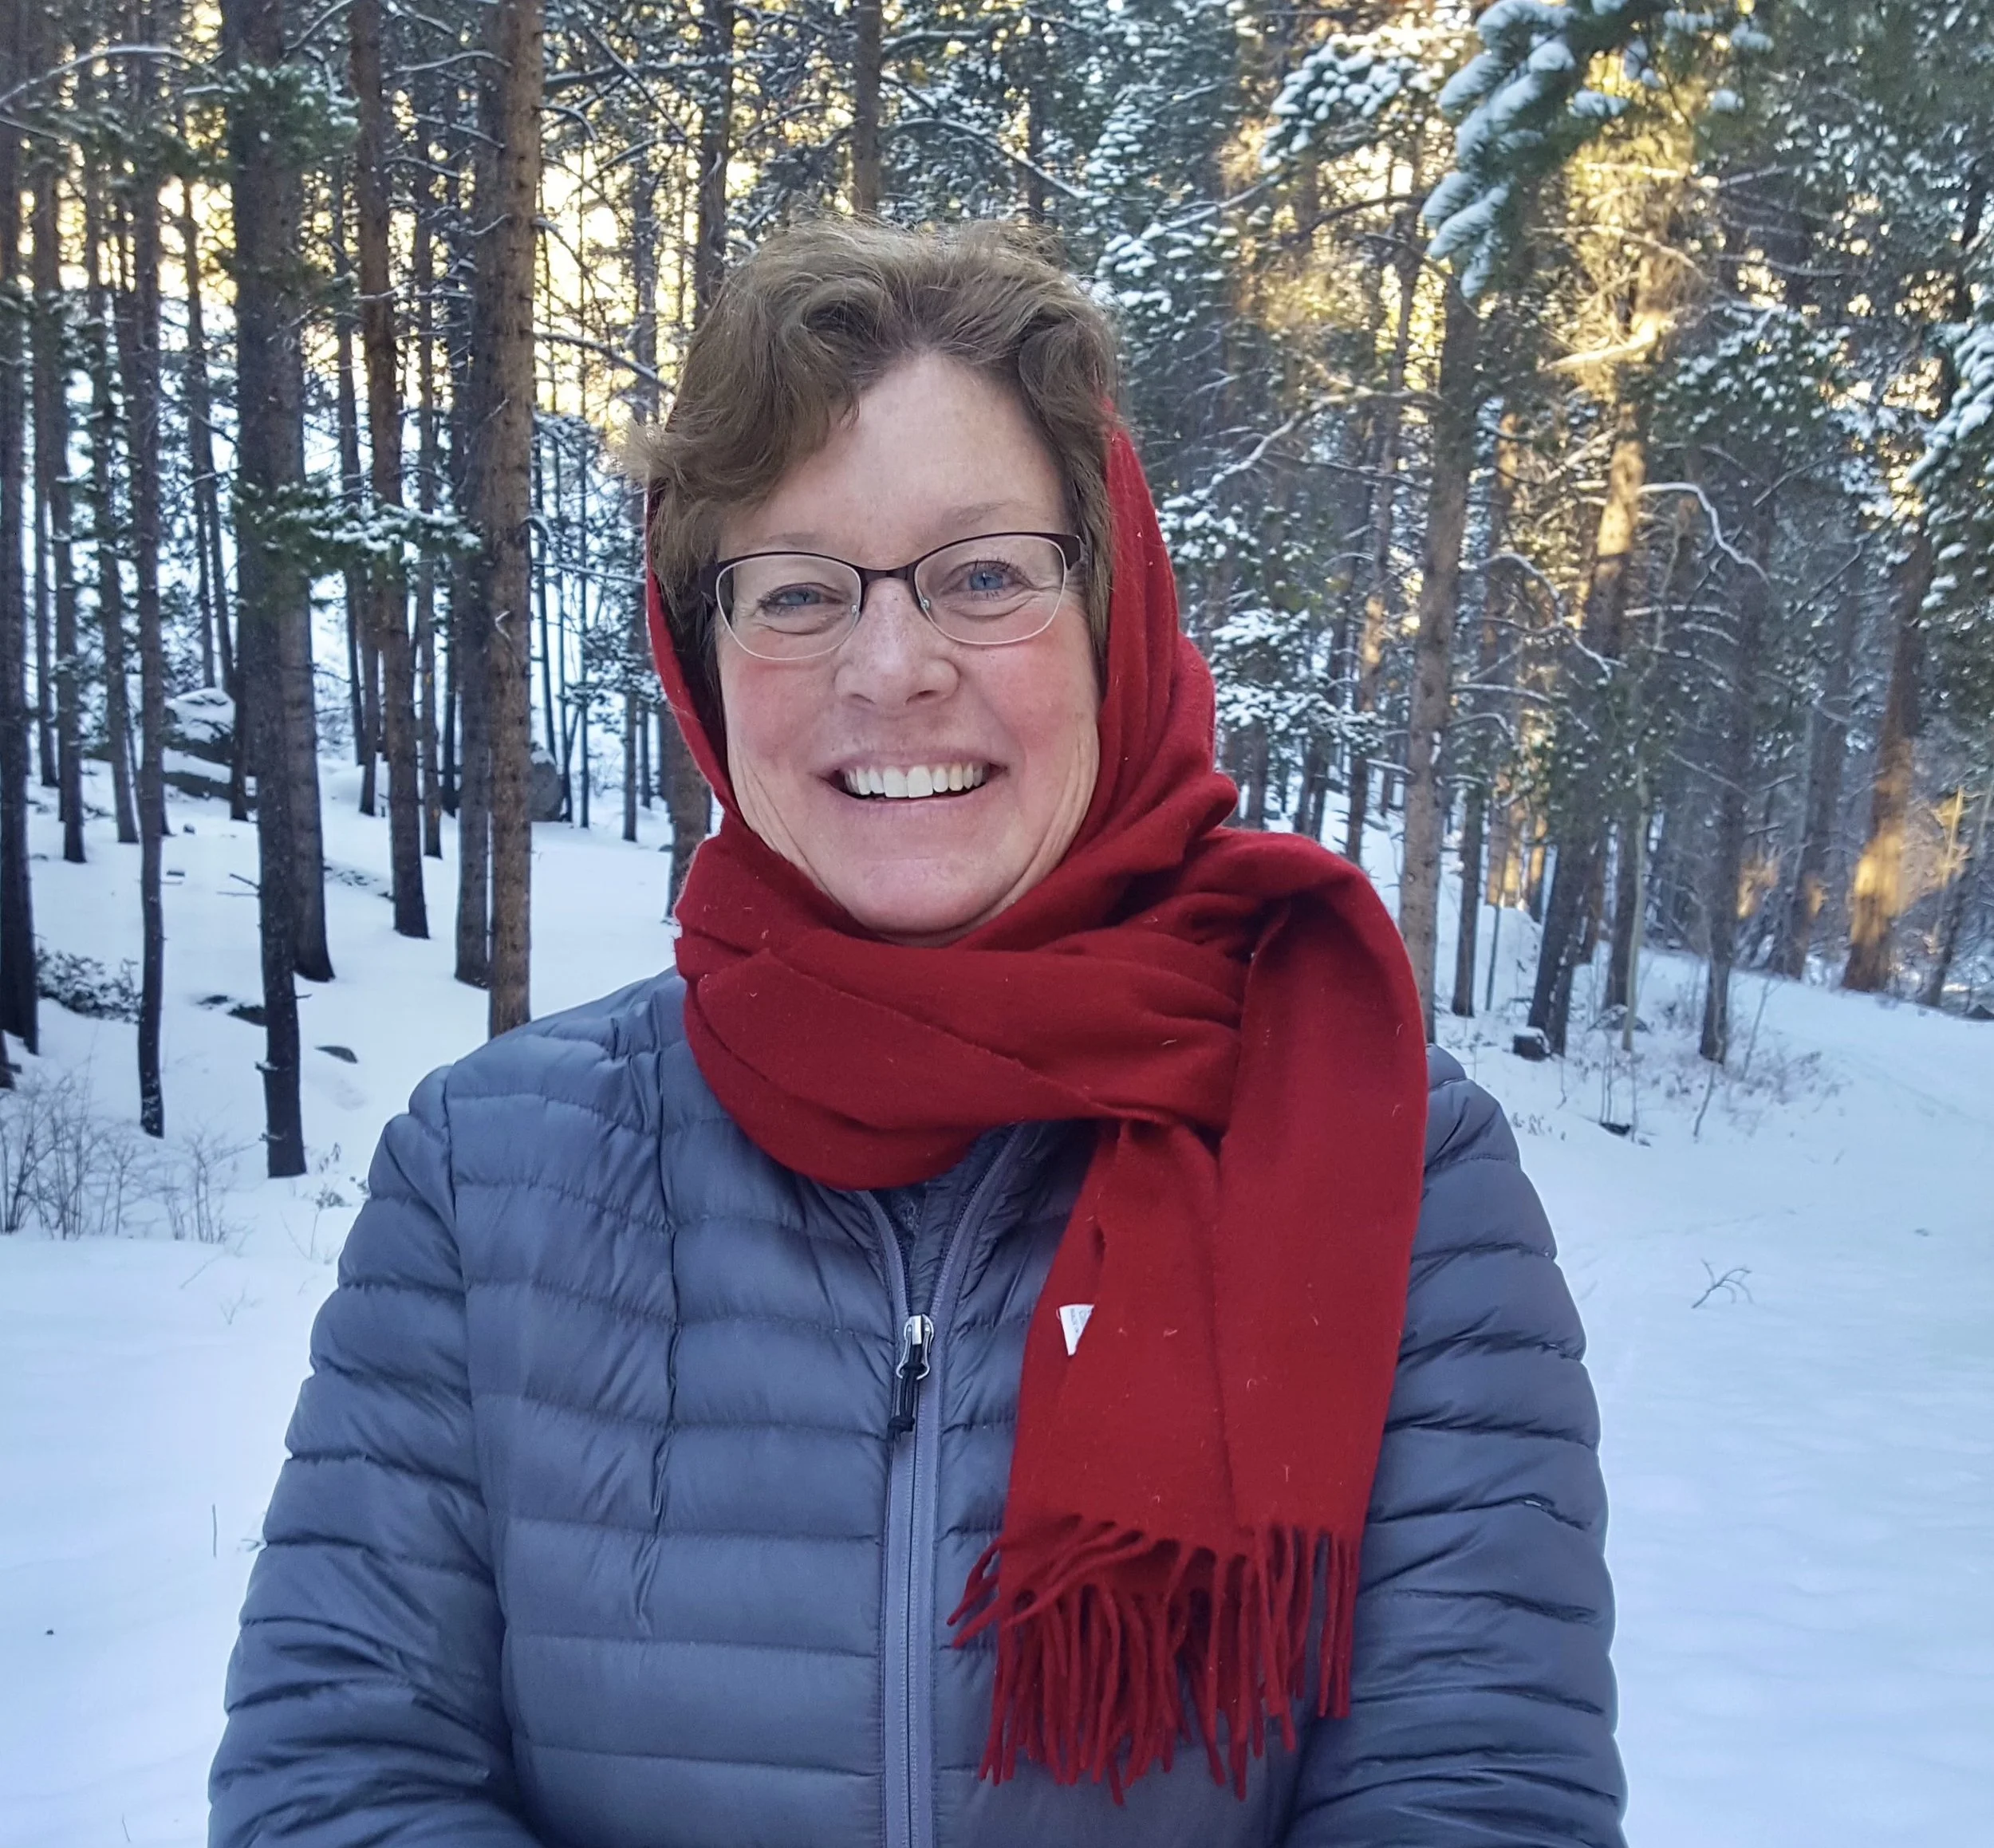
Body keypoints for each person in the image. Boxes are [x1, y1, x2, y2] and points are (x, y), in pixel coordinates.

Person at [210, 217, 1626, 1848]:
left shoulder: (1384, 1156)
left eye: (982, 576)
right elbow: (340, 1779)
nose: (890, 668)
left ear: (1112, 618)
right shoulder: (486, 1172)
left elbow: (1475, 1794)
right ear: (705, 661)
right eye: (799, 591)